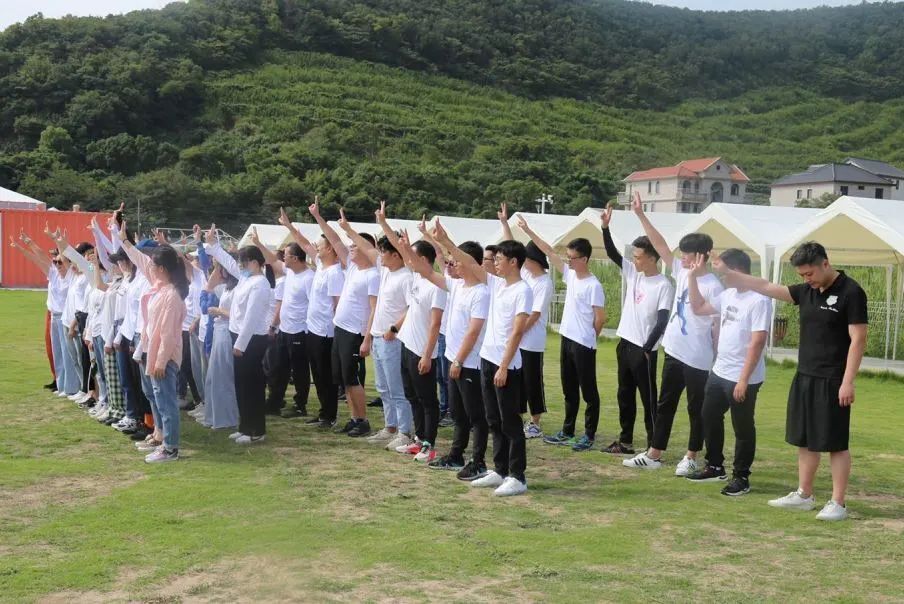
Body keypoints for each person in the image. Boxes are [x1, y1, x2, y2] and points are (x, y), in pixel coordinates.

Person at [714, 241, 867, 521]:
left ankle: (838, 503)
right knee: (804, 439)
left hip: (833, 380)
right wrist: (732, 274)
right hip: (804, 375)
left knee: (835, 442)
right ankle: (804, 495)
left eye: (810, 273)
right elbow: (767, 286)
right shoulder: (807, 291)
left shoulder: (851, 292)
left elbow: (858, 340)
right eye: (802, 276)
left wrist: (848, 381)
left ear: (825, 263)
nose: (807, 280)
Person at [434, 221, 533, 497]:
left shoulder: (522, 290)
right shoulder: (497, 284)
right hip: (487, 360)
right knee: (493, 419)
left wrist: (504, 365)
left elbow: (517, 331)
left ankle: (517, 475)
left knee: (510, 422)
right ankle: (500, 470)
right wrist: (445, 242)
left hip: (506, 365)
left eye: (499, 259)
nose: (494, 263)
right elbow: (468, 262)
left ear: (513, 262)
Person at [632, 193, 723, 474]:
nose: (681, 258)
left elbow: (709, 320)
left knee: (696, 409)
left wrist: (717, 358)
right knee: (665, 404)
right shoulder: (682, 272)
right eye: (682, 254)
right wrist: (641, 215)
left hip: (698, 358)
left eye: (687, 254)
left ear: (701, 256)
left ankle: (691, 455)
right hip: (673, 350)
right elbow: (659, 244)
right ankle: (654, 453)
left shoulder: (714, 287)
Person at [685, 249, 771, 496]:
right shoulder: (728, 294)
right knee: (708, 415)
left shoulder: (759, 300)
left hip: (743, 376)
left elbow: (757, 342)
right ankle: (714, 466)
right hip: (720, 371)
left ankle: (741, 477)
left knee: (742, 427)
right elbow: (698, 307)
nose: (722, 278)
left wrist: (743, 380)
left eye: (724, 273)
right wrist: (692, 278)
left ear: (736, 270)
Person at [409, 229, 491, 480]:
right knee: (457, 412)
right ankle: (456, 455)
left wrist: (459, 360)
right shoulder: (457, 285)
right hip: (453, 358)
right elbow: (424, 269)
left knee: (476, 415)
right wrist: (411, 244)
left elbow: (474, 331)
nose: (452, 264)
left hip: (469, 362)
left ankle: (478, 461)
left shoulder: (482, 292)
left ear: (469, 262)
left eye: (457, 260)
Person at [518, 221, 607, 452]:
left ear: (584, 259)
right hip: (566, 339)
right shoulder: (571, 276)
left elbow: (600, 318)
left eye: (573, 258)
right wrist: (528, 231)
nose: (569, 261)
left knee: (589, 391)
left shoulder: (593, 285)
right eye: (568, 257)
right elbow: (548, 251)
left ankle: (589, 434)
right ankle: (568, 431)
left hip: (583, 343)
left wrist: (590, 337)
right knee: (569, 389)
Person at [597, 205, 674, 464]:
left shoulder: (663, 285)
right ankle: (626, 441)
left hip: (645, 350)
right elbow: (612, 253)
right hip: (625, 344)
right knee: (624, 395)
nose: (634, 260)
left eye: (638, 256)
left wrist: (647, 348)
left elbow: (662, 321)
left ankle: (654, 447)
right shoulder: (633, 273)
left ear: (652, 258)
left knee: (648, 399)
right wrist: (605, 227)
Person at [376, 216, 446, 462]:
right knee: (412, 397)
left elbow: (436, 324)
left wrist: (427, 355)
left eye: (413, 256)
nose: (408, 260)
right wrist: (384, 224)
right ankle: (418, 439)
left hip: (422, 351)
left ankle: (429, 444)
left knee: (428, 401)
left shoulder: (437, 287)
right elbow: (401, 249)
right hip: (407, 346)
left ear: (424, 260)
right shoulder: (417, 278)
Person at [120, 221, 190, 463]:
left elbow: (169, 334)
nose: (149, 267)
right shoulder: (160, 286)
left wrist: (160, 361)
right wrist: (124, 240)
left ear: (162, 269)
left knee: (167, 404)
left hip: (164, 358)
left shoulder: (171, 295)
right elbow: (141, 261)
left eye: (154, 264)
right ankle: (164, 443)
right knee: (160, 401)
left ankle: (170, 448)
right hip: (154, 353)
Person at [314, 203, 380, 437]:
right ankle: (354, 418)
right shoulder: (353, 268)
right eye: (351, 246)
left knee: (352, 378)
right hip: (340, 329)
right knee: (343, 378)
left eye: (356, 246)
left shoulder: (373, 275)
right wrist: (318, 217)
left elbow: (374, 309)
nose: (351, 249)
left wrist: (367, 339)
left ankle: (363, 421)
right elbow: (335, 240)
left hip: (355, 332)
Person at [205, 225, 274, 444]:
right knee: (241, 385)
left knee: (252, 386)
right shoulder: (247, 278)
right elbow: (228, 262)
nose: (241, 266)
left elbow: (252, 318)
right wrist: (214, 245)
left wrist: (240, 345)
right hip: (239, 336)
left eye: (244, 262)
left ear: (255, 263)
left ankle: (256, 431)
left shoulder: (260, 284)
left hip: (251, 340)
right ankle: (245, 427)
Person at [280, 205, 345, 430]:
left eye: (321, 245)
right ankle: (323, 413)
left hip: (326, 332)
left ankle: (330, 416)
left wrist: (318, 217)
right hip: (313, 330)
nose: (316, 247)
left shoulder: (335, 272)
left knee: (326, 376)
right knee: (317, 375)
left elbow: (337, 304)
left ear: (331, 249)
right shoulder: (320, 265)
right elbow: (305, 243)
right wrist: (289, 226)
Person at [497, 205, 553, 440]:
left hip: (532, 342)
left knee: (533, 382)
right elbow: (512, 248)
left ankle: (535, 422)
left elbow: (535, 315)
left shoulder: (544, 283)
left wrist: (517, 332)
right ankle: (518, 418)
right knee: (518, 382)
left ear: (533, 260)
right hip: (518, 340)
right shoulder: (527, 275)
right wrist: (505, 224)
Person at [249, 224, 314, 420]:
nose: (282, 258)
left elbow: (313, 305)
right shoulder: (290, 272)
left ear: (295, 258)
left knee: (300, 370)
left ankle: (300, 405)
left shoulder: (309, 277)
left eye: (286, 255)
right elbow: (272, 259)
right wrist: (258, 243)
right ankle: (275, 402)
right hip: (284, 329)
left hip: (300, 330)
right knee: (279, 367)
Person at [370, 206, 415, 450]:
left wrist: (394, 328)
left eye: (385, 253)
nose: (381, 257)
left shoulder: (406, 276)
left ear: (397, 255)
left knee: (397, 387)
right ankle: (390, 427)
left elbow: (412, 308)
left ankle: (405, 431)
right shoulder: (387, 272)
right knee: (383, 387)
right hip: (378, 337)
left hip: (392, 339)